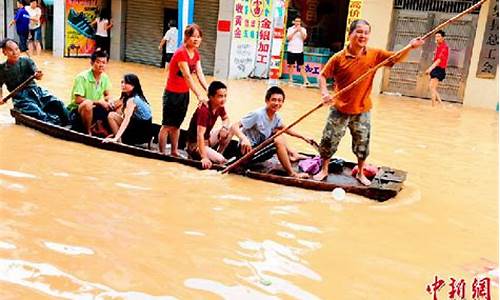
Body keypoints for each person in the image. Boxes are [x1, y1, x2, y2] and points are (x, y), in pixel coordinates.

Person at [313, 19, 424, 185]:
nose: (362, 36)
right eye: (359, 32)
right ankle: (324, 169)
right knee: (328, 140)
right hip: (339, 108)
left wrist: (410, 47)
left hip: (362, 109)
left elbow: (396, 58)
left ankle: (360, 173)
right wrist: (324, 93)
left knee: (362, 144)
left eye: (366, 33)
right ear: (350, 35)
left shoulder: (375, 55)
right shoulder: (338, 58)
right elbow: (322, 75)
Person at [230, 86, 313, 179]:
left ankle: (292, 154)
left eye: (279, 100)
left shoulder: (276, 117)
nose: (277, 103)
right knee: (278, 140)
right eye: (274, 100)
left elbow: (287, 129)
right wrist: (244, 139)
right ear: (267, 101)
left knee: (278, 132)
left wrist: (304, 137)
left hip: (258, 150)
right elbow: (234, 126)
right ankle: (292, 174)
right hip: (246, 154)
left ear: (282, 102)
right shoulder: (257, 114)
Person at [158, 24, 209, 157]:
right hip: (172, 94)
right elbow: (187, 76)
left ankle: (174, 152)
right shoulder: (181, 53)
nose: (196, 39)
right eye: (193, 36)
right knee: (167, 125)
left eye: (199, 37)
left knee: (177, 125)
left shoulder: (196, 54)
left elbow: (199, 73)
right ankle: (161, 153)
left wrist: (208, 90)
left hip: (184, 94)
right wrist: (199, 95)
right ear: (187, 37)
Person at [0, 39, 68, 125]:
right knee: (38, 112)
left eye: (17, 49)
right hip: (20, 98)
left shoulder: (27, 61)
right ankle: (54, 125)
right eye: (11, 50)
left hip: (36, 91)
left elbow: (37, 74)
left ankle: (69, 121)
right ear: (4, 52)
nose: (15, 52)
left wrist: (39, 75)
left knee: (58, 103)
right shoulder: (2, 68)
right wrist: (0, 97)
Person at [67, 50, 114, 136]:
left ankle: (114, 131)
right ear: (92, 63)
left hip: (95, 108)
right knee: (88, 103)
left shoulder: (104, 77)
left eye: (104, 62)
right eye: (98, 62)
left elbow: (107, 95)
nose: (101, 65)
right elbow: (78, 100)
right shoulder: (82, 77)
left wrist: (110, 101)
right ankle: (88, 132)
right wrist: (99, 102)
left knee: (118, 103)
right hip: (78, 111)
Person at [186, 81, 231, 169]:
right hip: (195, 145)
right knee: (221, 160)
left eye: (225, 96)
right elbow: (200, 135)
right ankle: (215, 156)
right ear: (211, 97)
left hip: (207, 140)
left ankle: (219, 153)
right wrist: (204, 158)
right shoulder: (204, 111)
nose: (224, 99)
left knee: (228, 131)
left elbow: (226, 119)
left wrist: (224, 128)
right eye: (220, 96)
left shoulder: (220, 106)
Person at [104, 74, 152, 145]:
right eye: (122, 82)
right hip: (143, 126)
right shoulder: (134, 95)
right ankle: (116, 135)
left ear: (133, 85)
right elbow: (117, 102)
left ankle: (118, 141)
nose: (123, 85)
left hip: (140, 131)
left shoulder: (132, 100)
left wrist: (115, 138)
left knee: (111, 116)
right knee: (117, 110)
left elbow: (126, 120)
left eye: (126, 83)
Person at [425, 30, 449, 106]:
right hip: (436, 68)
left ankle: (433, 106)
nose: (436, 38)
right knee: (433, 88)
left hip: (439, 69)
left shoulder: (445, 47)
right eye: (436, 36)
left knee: (431, 87)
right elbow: (435, 58)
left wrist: (430, 68)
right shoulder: (438, 46)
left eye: (438, 36)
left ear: (443, 38)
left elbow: (439, 60)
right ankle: (441, 104)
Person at [285, 16, 310, 86]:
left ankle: (306, 80)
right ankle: (290, 79)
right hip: (291, 50)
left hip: (299, 50)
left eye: (299, 21)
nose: (297, 22)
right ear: (294, 22)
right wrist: (295, 31)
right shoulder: (290, 29)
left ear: (300, 22)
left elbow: (304, 38)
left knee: (302, 66)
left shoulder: (303, 29)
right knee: (291, 65)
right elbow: (288, 38)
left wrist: (300, 30)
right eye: (296, 21)